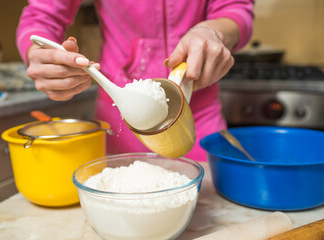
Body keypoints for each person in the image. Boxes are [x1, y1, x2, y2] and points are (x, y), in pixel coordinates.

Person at [16, 0, 254, 161]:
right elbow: (41, 15)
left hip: (198, 113)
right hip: (121, 114)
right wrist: (38, 54)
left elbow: (235, 8)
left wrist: (213, 32)